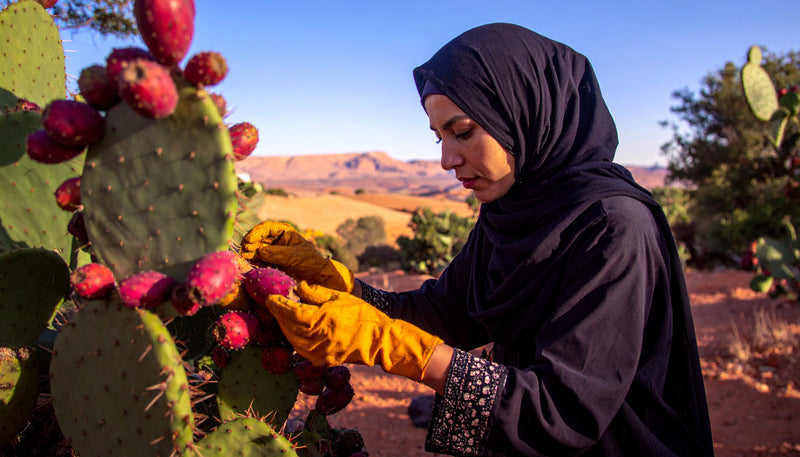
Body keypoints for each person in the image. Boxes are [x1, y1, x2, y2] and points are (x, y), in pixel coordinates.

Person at [241, 22, 714, 457]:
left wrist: (400, 350)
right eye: (438, 137)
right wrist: (343, 284)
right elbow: (447, 312)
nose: (448, 159)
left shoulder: (613, 226)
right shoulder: (511, 211)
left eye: (463, 131)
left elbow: (562, 411)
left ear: (524, 112)